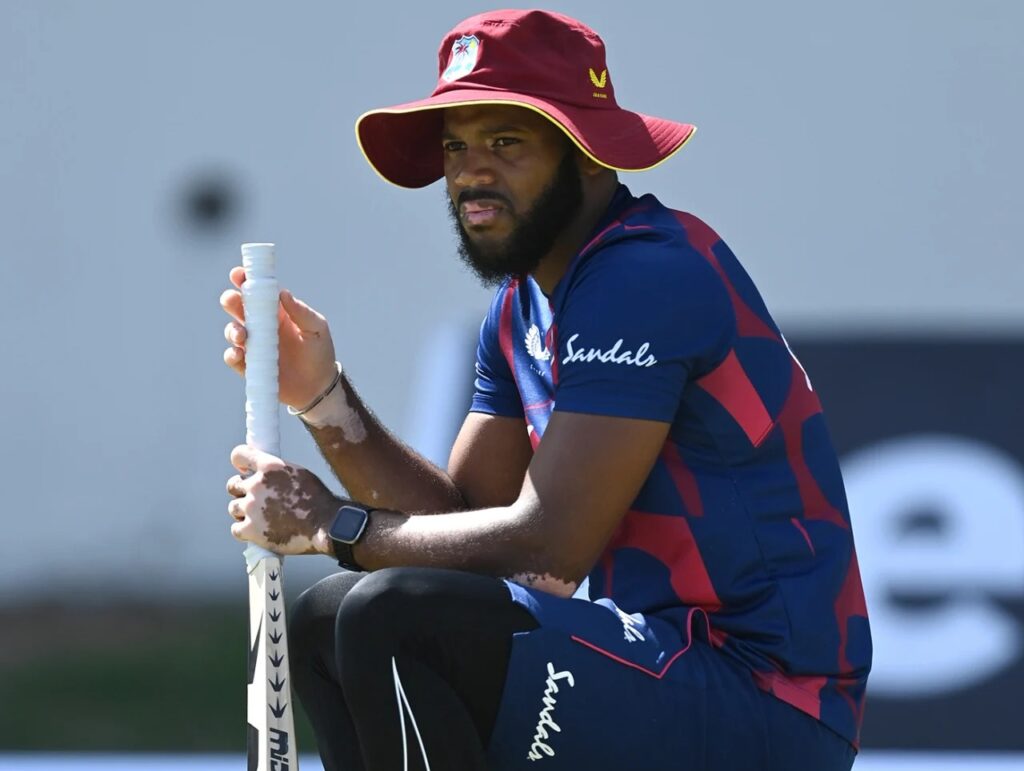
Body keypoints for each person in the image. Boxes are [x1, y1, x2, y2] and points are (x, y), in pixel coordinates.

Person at [220, 9, 870, 771]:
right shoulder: (520, 308)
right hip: (659, 668)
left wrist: (332, 526)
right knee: (328, 615)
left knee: (390, 610)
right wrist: (324, 399)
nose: (471, 172)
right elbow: (460, 533)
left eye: (506, 142)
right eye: (456, 146)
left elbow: (547, 547)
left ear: (589, 154)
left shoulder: (643, 276)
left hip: (765, 703)